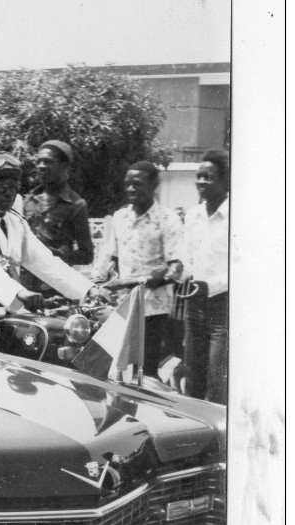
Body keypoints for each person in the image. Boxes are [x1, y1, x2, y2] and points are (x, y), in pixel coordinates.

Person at [0, 152, 109, 351]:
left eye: (13, 187)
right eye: (1, 186)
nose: (9, 193)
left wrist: (88, 289)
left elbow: (46, 263)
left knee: (50, 346)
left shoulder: (17, 223)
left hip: (11, 310)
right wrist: (20, 291)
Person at [96, 161, 184, 379]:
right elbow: (113, 258)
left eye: (137, 184)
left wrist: (150, 279)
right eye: (127, 184)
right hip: (124, 306)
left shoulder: (168, 219)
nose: (131, 189)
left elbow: (176, 268)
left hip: (154, 310)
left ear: (154, 185)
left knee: (146, 373)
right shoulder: (119, 217)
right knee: (118, 370)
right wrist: (105, 281)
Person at [181, 151, 229, 405]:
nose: (200, 182)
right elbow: (187, 257)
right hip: (194, 307)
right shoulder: (192, 216)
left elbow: (241, 269)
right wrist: (185, 274)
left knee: (217, 384)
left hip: (223, 308)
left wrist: (209, 286)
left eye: (207, 177)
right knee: (193, 382)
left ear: (225, 182)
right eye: (198, 177)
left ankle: (218, 443)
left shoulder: (236, 217)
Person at [20, 140, 94, 293]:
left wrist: (60, 255)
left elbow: (87, 255)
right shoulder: (28, 200)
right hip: (25, 286)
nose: (40, 166)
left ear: (64, 166)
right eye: (39, 161)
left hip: (56, 288)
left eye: (47, 162)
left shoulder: (76, 204)